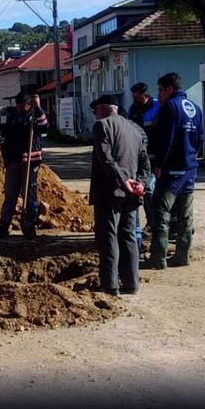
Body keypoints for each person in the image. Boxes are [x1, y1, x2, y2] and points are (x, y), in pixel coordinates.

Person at [88, 94, 151, 296]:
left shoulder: (102, 126)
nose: (95, 115)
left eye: (95, 111)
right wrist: (140, 184)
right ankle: (132, 284)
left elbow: (105, 158)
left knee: (108, 237)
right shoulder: (135, 129)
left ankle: (110, 285)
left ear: (103, 108)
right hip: (132, 195)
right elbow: (145, 164)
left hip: (110, 193)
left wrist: (123, 181)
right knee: (129, 237)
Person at [143, 72, 204, 270]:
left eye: (160, 90)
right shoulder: (195, 108)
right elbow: (201, 139)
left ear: (170, 89)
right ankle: (182, 255)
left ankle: (158, 257)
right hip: (189, 169)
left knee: (162, 213)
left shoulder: (170, 107)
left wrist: (159, 164)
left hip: (171, 170)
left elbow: (166, 140)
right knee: (186, 216)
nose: (158, 95)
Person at [0, 91, 48, 240]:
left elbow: (45, 127)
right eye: (20, 106)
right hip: (13, 163)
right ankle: (3, 226)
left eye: (25, 106)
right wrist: (6, 158)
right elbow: (4, 139)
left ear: (30, 105)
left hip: (31, 163)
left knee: (30, 196)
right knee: (10, 195)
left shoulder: (35, 115)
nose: (22, 108)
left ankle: (29, 226)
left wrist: (39, 108)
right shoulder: (11, 117)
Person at [127, 82, 160, 237]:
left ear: (145, 95)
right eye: (133, 97)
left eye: (137, 97)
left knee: (148, 190)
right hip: (139, 158)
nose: (135, 100)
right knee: (142, 191)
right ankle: (152, 223)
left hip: (155, 157)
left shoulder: (157, 107)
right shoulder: (133, 109)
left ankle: (154, 224)